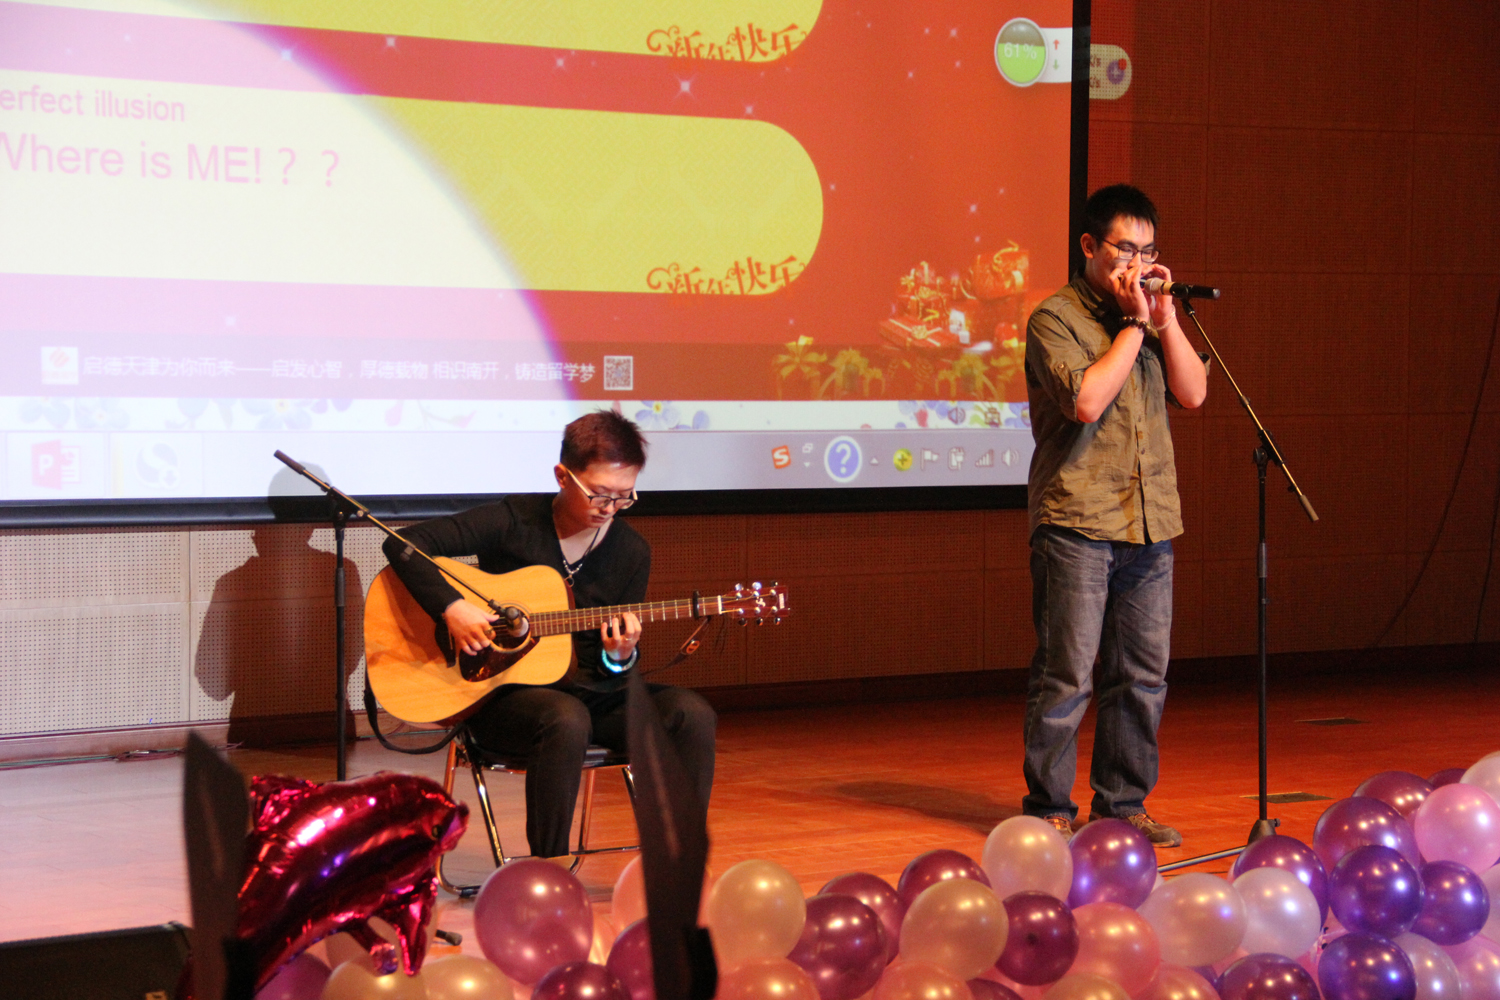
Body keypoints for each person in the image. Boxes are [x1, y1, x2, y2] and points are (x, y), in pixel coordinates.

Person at [381, 410, 716, 859]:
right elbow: (402, 544)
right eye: (599, 494)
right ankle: (549, 866)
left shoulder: (631, 551)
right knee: (564, 718)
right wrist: (452, 608)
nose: (609, 508)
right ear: (562, 476)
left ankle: (681, 860)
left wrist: (620, 655)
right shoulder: (512, 521)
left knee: (690, 714)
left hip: (589, 695)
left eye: (624, 497)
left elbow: (611, 671)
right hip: (501, 696)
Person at [1021, 184, 1208, 846]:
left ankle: (1122, 804)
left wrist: (1165, 320)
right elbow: (1086, 402)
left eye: (1149, 251)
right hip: (1077, 520)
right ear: (1089, 246)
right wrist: (1132, 325)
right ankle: (1048, 807)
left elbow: (1194, 393)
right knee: (1068, 674)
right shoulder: (1055, 318)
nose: (1139, 263)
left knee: (1142, 675)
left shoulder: (1151, 318)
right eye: (1126, 248)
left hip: (1150, 520)